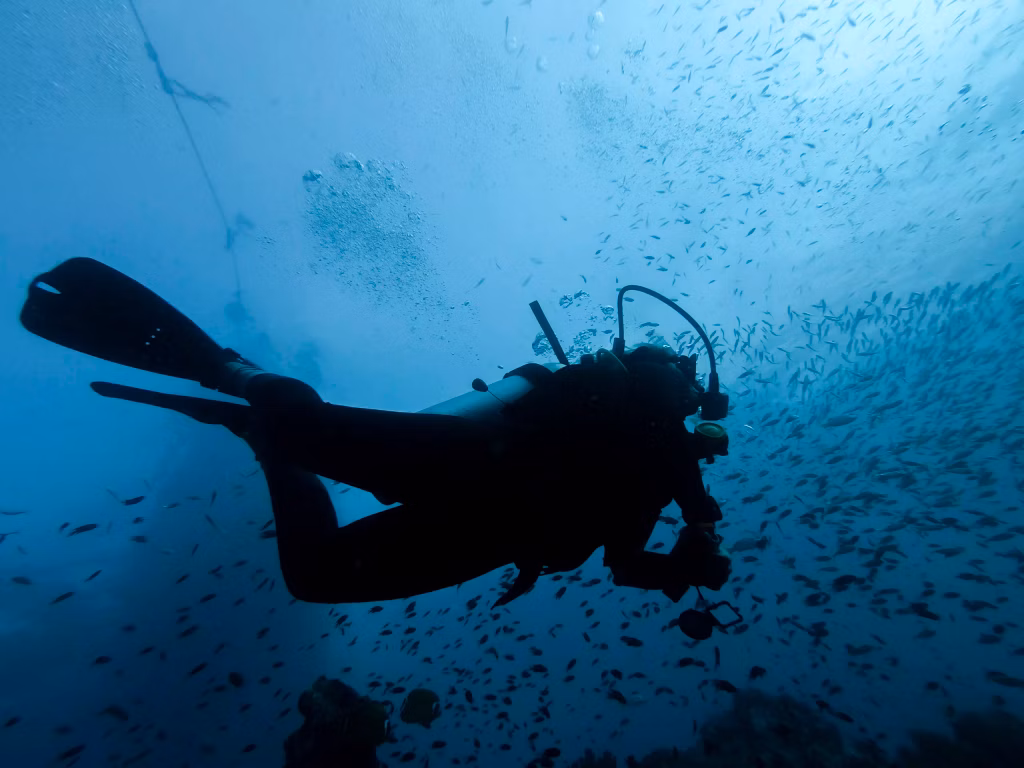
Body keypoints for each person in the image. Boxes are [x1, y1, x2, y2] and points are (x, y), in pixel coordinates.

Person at [20, 258, 733, 608]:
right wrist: (700, 523)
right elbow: (676, 466)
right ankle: (229, 372)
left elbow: (624, 563)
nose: (687, 394)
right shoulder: (643, 424)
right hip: (477, 460)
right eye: (680, 379)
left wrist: (681, 568)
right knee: (302, 424)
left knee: (314, 576)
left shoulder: (654, 465)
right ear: (650, 376)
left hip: (492, 537)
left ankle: (262, 438)